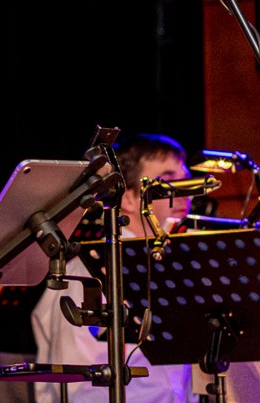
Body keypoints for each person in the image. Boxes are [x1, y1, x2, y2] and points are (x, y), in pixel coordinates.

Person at [30, 132, 196, 402]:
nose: (184, 192)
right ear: (128, 198)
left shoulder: (179, 267)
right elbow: (77, 386)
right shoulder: (88, 275)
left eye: (186, 179)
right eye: (168, 181)